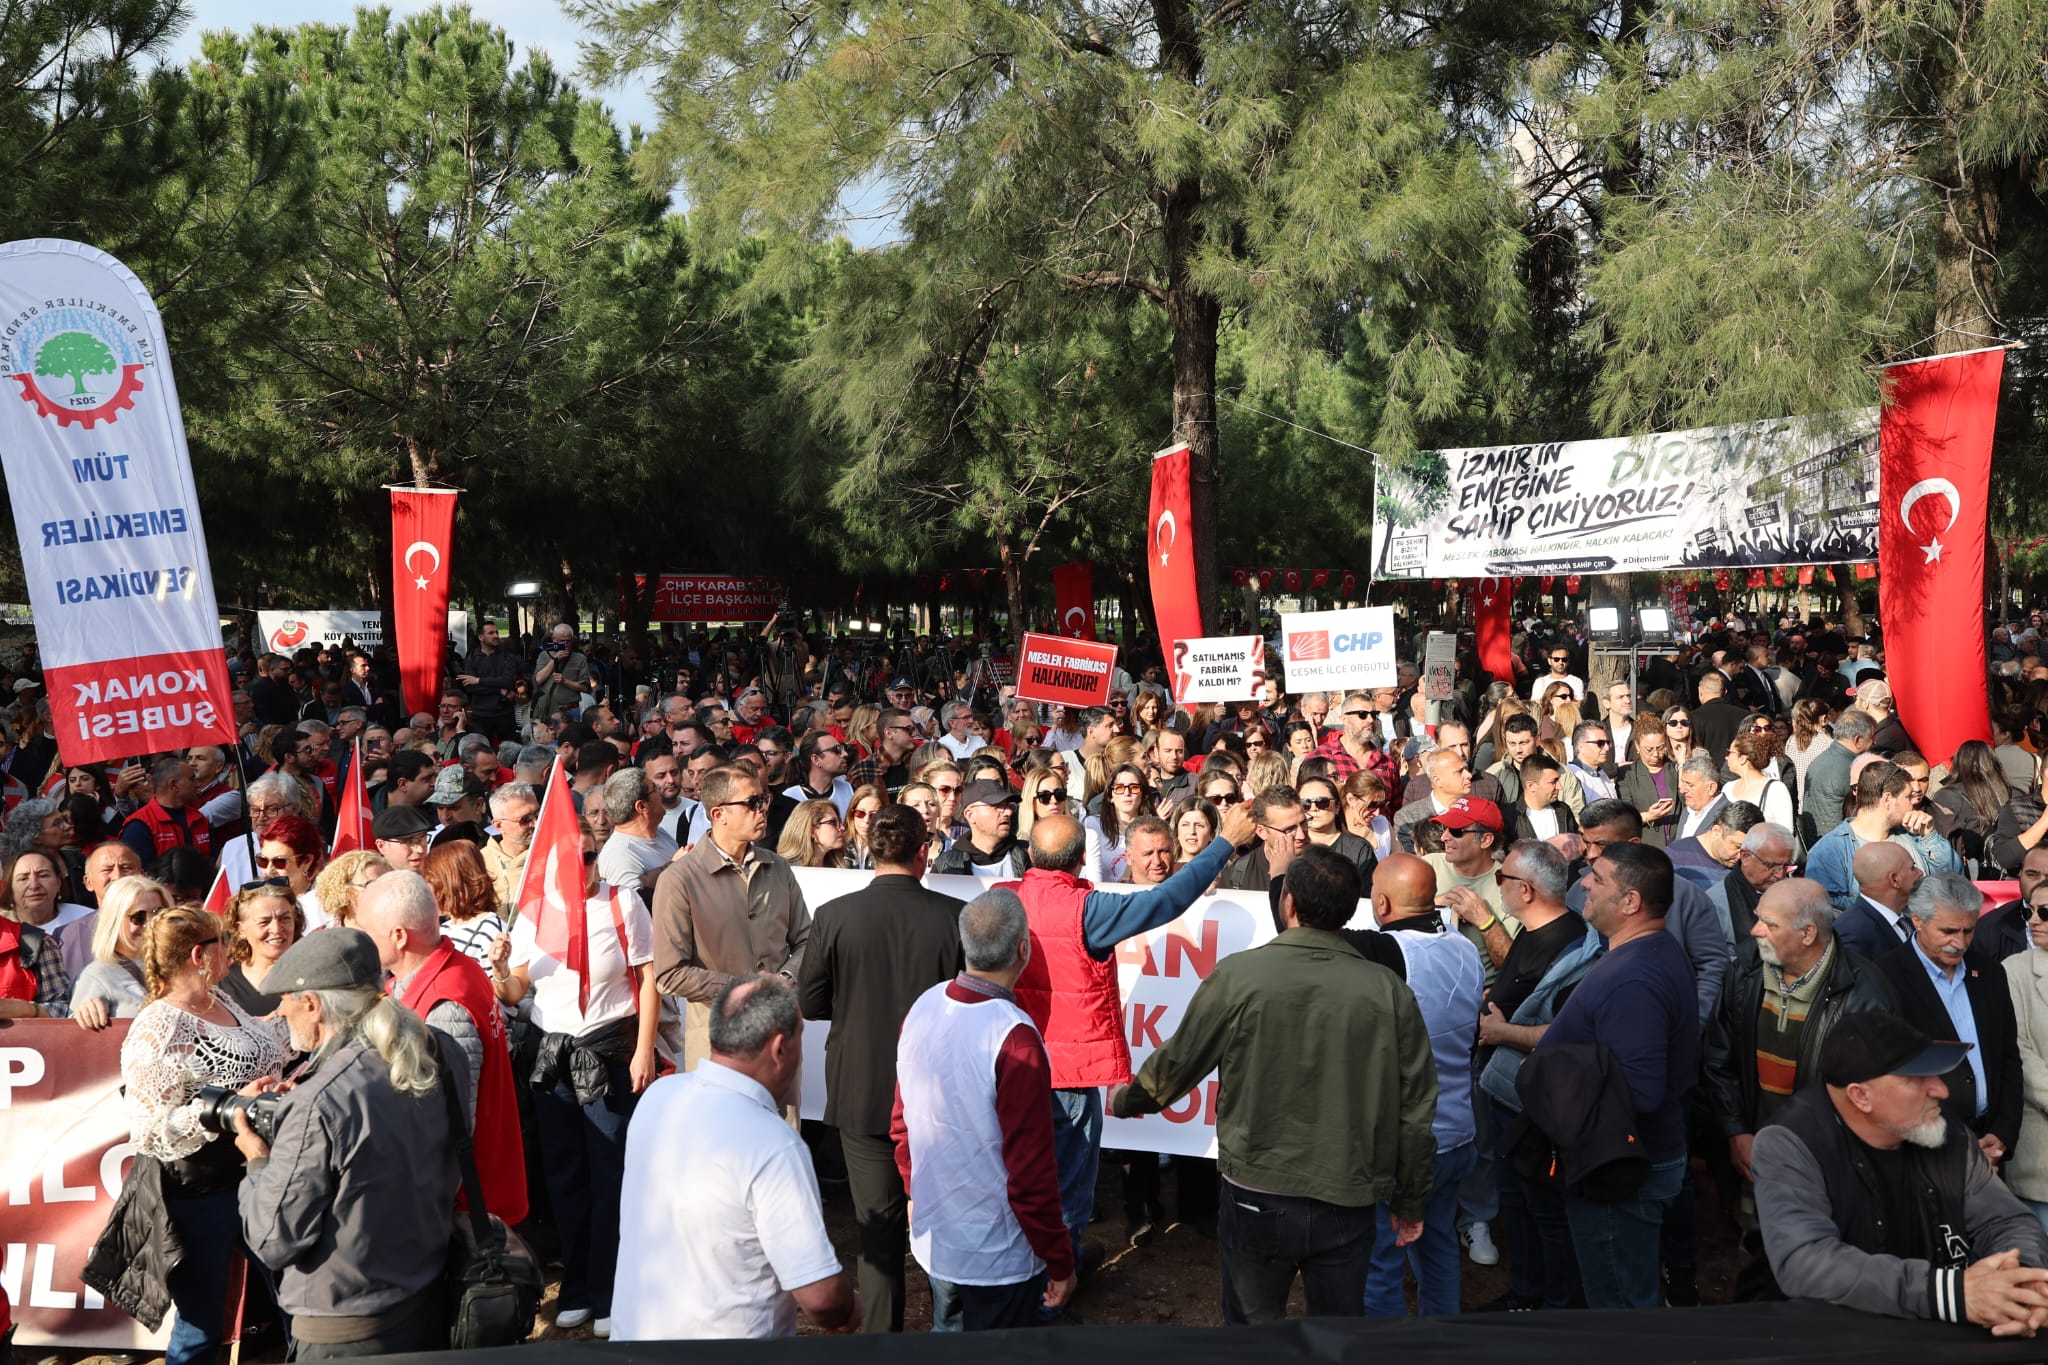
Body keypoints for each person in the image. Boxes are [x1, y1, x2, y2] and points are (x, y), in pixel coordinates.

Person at [1110, 846, 1436, 1324]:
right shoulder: (1388, 991)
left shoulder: (1240, 976)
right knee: (1336, 1333)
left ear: (1288, 904)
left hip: (1259, 1190)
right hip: (1344, 1194)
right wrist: (1410, 1198)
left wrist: (1126, 1100)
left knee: (1252, 1333)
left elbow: (1180, 1062)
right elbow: (1416, 1108)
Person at [1000, 800, 1253, 1273]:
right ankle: (1058, 1278)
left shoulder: (999, 899)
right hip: (1069, 1079)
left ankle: (1030, 1272)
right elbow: (1164, 901)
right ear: (1082, 859)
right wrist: (1223, 844)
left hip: (1010, 1069)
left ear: (1030, 856)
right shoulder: (1087, 909)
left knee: (1018, 1174)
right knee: (1068, 1184)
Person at [233, 929, 465, 1358]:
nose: (281, 1012)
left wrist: (258, 1159)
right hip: (429, 1298)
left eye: (285, 1001)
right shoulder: (439, 1049)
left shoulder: (319, 1100)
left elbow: (273, 1240)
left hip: (346, 1329)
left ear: (312, 1004)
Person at [1750, 1012, 2048, 1331]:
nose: (1941, 1090)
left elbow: (2006, 1219)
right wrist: (1948, 1293)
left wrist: (2021, 1282)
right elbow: (1806, 1261)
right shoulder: (1789, 1143)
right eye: (1916, 1078)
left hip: (1928, 1334)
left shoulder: (1943, 1130)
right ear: (1861, 1096)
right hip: (1812, 1337)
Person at [797, 805, 966, 1332]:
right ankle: (955, 1334)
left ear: (872, 850)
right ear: (924, 852)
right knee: (951, 1223)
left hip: (863, 1089)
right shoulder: (954, 916)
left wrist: (856, 1007)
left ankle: (880, 1349)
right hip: (936, 1094)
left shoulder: (836, 916)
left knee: (878, 1232)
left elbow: (810, 1001)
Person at [614, 975, 856, 1339]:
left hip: (634, 1344)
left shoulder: (657, 1099)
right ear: (780, 1049)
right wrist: (850, 1309)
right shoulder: (774, 1143)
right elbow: (821, 1298)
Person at [491, 814, 660, 1334]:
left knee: (609, 1172)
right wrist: (499, 970)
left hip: (608, 1051)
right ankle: (578, 1286)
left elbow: (648, 978)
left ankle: (610, 1289)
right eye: (574, 856)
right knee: (565, 1175)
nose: (584, 865)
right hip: (553, 1059)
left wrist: (644, 1050)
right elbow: (516, 991)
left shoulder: (622, 902)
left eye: (591, 854)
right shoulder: (535, 913)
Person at [893, 888, 1076, 1330]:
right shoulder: (1015, 1038)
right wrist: (1060, 1260)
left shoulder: (923, 1006)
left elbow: (901, 1122)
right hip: (997, 1255)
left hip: (939, 1235)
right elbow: (1031, 1171)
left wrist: (913, 1190)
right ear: (1023, 950)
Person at [114, 906, 289, 1365]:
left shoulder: (220, 998)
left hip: (259, 1175)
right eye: (223, 942)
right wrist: (230, 1107)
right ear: (199, 955)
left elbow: (263, 1047)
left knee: (297, 1299)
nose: (231, 949)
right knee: (201, 1328)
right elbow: (151, 1130)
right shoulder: (159, 1026)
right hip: (201, 1195)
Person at [1534, 842, 1697, 1309]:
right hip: (1624, 1166)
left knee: (1621, 1311)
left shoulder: (1635, 978)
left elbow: (1639, 1091)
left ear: (1630, 902)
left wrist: (1556, 1076)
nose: (1584, 883)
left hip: (1620, 1175)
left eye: (1598, 878)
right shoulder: (1642, 954)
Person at [355, 869, 526, 1222]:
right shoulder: (458, 968)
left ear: (399, 936)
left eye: (367, 932)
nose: (362, 941)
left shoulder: (444, 1004)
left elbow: (451, 1122)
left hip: (463, 1207)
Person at [1703, 878, 1895, 1190]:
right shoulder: (1743, 973)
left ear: (1808, 934)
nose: (1755, 931)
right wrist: (1736, 1132)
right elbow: (1719, 1060)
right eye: (1758, 919)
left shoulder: (1865, 994)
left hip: (1826, 1168)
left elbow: (1870, 1095)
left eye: (1770, 924)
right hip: (1754, 1159)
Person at [1475, 841, 1599, 1313]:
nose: (1498, 886)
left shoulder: (1573, 948)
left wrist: (1503, 1031)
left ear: (1525, 890)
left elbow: (1570, 1033)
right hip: (1508, 1095)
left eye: (1501, 878)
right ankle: (1526, 1294)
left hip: (1538, 1106)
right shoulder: (1532, 932)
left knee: (1545, 1207)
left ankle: (1557, 1307)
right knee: (1518, 1201)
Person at [1363, 854, 1483, 1318]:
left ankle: (1388, 1349)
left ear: (1381, 903)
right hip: (1456, 1133)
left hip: (1404, 1145)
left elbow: (1306, 934)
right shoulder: (1464, 946)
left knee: (1382, 1260)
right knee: (1437, 1246)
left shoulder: (1388, 952)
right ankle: (1441, 1341)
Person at [652, 765, 812, 1079]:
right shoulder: (680, 879)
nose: (763, 809)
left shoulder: (778, 867)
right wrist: (744, 988)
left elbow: (808, 939)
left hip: (779, 1039)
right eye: (752, 803)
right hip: (717, 1045)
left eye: (764, 800)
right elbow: (669, 974)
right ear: (719, 814)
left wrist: (785, 979)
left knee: (782, 1112)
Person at [1875, 873, 2023, 1167]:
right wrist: (1956, 1148)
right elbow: (1888, 1079)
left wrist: (2002, 1134)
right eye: (1949, 931)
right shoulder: (1884, 978)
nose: (1960, 942)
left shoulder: (1991, 973)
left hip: (1990, 1146)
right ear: (1917, 920)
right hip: (1925, 1155)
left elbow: (2007, 1058)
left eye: (1969, 931)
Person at [1808, 761, 1960, 914]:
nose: (1913, 803)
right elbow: (1826, 907)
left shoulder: (1911, 834)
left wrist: (1930, 836)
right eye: (1907, 797)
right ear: (1887, 799)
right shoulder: (1830, 851)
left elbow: (1954, 879)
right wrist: (1891, 902)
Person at [69, 875, 171, 1030]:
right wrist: (85, 1013)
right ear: (114, 921)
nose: (151, 923)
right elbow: (75, 1036)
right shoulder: (96, 976)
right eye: (139, 917)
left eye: (158, 914)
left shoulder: (183, 966)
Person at [2004, 877, 2048, 1231]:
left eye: (2045, 913)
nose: (2034, 920)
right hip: (2040, 1159)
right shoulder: (2014, 970)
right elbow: (2018, 1051)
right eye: (2029, 911)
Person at [219, 879, 303, 1017]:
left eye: (285, 919)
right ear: (241, 929)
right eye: (264, 922)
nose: (276, 929)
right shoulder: (222, 987)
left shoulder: (315, 975)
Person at [1708, 821, 1799, 944]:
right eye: (1771, 865)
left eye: (1785, 866)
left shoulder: (1794, 898)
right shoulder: (1714, 905)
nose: (1780, 874)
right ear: (1745, 856)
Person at [117, 756, 211, 866]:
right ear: (173, 785)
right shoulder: (138, 826)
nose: (197, 784)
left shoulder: (199, 819)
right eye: (192, 779)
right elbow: (135, 873)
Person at [1801, 708, 1876, 845]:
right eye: (1872, 737)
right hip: (1839, 844)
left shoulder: (1820, 760)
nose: (1875, 742)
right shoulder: (1852, 769)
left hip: (1816, 840)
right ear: (1857, 740)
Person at [930, 779, 1027, 879]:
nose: (1008, 812)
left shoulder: (1028, 855)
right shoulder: (946, 865)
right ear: (970, 815)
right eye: (997, 806)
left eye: (1009, 806)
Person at [482, 782, 539, 916]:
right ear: (499, 825)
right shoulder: (478, 864)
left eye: (538, 814)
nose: (535, 823)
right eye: (526, 819)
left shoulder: (553, 855)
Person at [371, 802, 433, 875]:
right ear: (382, 846)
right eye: (409, 842)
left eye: (423, 839)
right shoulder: (370, 880)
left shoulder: (437, 876)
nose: (420, 850)